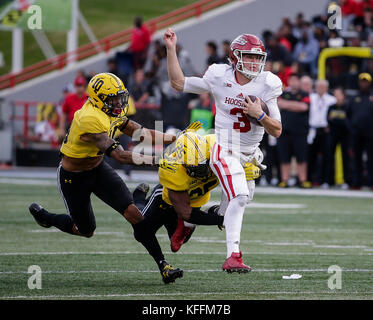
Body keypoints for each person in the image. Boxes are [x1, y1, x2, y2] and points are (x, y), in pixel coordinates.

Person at [164, 29, 282, 272]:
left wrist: (259, 114)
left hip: (250, 155)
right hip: (224, 148)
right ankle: (233, 257)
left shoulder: (268, 82)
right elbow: (178, 83)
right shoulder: (219, 75)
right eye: (248, 57)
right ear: (235, 57)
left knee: (227, 213)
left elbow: (277, 130)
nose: (254, 62)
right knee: (239, 196)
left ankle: (188, 222)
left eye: (257, 57)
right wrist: (171, 49)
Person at [28, 73, 177, 243]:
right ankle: (47, 218)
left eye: (120, 98)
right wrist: (159, 160)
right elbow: (120, 155)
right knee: (85, 230)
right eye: (114, 99)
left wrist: (175, 138)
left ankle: (162, 257)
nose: (119, 103)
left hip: (98, 168)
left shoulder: (109, 109)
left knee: (134, 214)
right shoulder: (90, 118)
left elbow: (141, 133)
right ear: (98, 99)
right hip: (74, 177)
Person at [132, 132, 260, 282]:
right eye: (190, 168)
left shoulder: (219, 147)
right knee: (141, 231)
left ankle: (206, 215)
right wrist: (222, 219)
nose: (195, 173)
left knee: (179, 243)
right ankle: (139, 199)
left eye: (199, 167)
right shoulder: (171, 169)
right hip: (167, 201)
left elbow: (247, 154)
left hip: (195, 201)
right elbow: (185, 212)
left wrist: (249, 169)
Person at [277, 73, 311, 188]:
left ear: (299, 82)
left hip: (300, 131)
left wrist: (288, 105)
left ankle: (303, 180)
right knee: (284, 157)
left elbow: (304, 107)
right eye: (292, 80)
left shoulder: (304, 94)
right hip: (285, 130)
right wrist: (296, 105)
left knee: (302, 157)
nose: (294, 82)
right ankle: (284, 180)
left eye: (296, 80)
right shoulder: (283, 93)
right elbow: (279, 103)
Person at [308, 79, 337, 187]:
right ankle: (311, 179)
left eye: (323, 87)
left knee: (327, 155)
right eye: (319, 86)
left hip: (326, 130)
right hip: (313, 129)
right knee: (311, 155)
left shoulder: (332, 99)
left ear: (327, 88)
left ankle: (327, 180)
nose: (321, 88)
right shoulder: (310, 98)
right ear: (315, 87)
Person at [347, 72, 373, 189]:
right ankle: (356, 182)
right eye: (362, 81)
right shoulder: (354, 98)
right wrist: (351, 127)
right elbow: (347, 114)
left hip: (370, 134)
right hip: (356, 133)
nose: (364, 84)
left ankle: (371, 182)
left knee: (371, 158)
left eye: (366, 81)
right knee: (356, 158)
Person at [327, 87, 351, 187]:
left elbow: (348, 122)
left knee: (346, 158)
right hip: (333, 134)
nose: (336, 97)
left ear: (343, 95)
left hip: (345, 135)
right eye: (335, 94)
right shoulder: (331, 107)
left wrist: (337, 120)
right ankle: (329, 181)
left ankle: (347, 181)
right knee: (329, 157)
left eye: (338, 94)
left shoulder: (348, 106)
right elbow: (328, 120)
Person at [59, 75, 88, 141]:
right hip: (72, 126)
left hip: (86, 127)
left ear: (84, 86)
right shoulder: (69, 98)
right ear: (75, 86)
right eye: (77, 85)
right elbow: (63, 115)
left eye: (80, 85)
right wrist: (61, 129)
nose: (79, 88)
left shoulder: (89, 98)